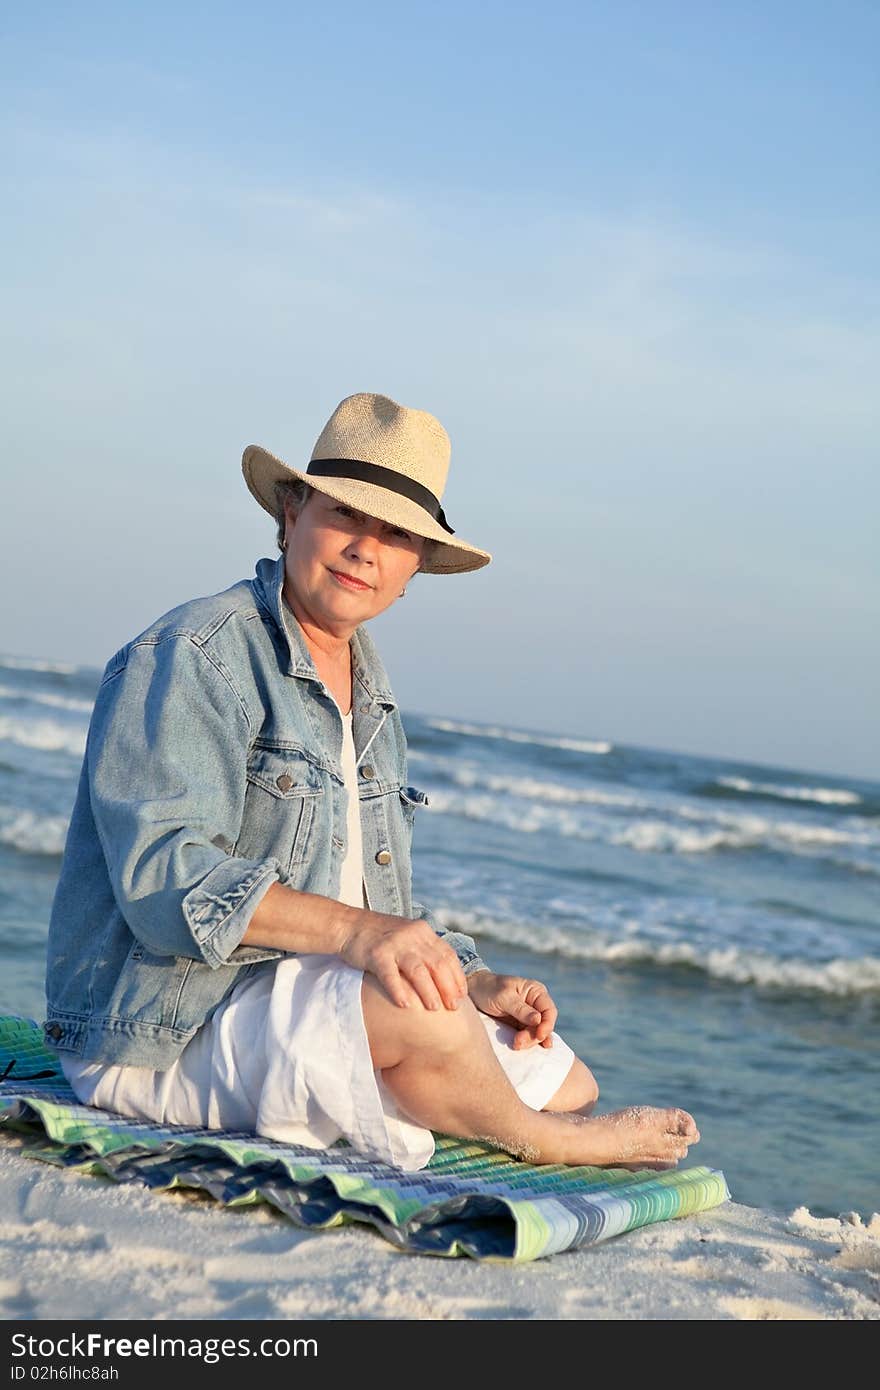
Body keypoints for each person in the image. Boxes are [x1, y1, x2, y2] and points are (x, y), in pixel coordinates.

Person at [43, 392, 700, 1171]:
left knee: (563, 1077)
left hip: (293, 995)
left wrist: (473, 977)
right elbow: (165, 879)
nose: (366, 550)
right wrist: (369, 941)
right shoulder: (197, 653)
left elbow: (368, 902)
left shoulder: (372, 693)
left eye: (396, 535)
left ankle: (470, 1094)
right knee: (454, 1045)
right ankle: (544, 1143)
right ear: (292, 514)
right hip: (161, 1031)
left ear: (414, 568)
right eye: (347, 516)